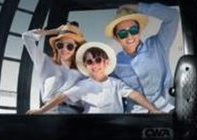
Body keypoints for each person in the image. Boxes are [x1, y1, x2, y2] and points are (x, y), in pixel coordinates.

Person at [26, 42, 161, 115]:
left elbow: (135, 95)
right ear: (86, 65)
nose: (94, 64)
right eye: (90, 62)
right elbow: (62, 96)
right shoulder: (83, 85)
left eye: (97, 60)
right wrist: (42, 110)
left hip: (115, 125)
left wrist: (153, 109)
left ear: (106, 62)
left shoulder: (116, 84)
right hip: (92, 126)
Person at [105, 3, 179, 113]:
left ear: (139, 31)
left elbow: (172, 16)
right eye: (123, 33)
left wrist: (137, 7)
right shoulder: (114, 63)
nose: (129, 36)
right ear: (116, 38)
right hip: (136, 116)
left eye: (133, 30)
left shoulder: (157, 45)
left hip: (167, 110)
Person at [22, 22, 87, 113]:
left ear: (76, 48)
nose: (64, 49)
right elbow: (26, 37)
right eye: (60, 45)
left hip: (75, 113)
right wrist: (54, 31)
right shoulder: (44, 62)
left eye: (70, 46)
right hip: (49, 110)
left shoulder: (83, 70)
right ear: (56, 47)